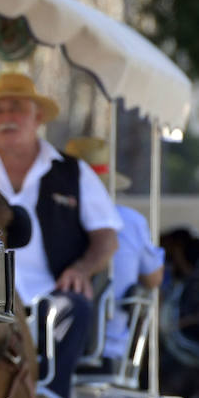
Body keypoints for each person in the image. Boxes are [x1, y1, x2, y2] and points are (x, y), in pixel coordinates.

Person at [0, 73, 120, 398]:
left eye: (16, 108)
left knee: (75, 308)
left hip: (48, 298)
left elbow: (106, 237)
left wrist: (82, 270)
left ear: (37, 117)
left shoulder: (72, 171)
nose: (6, 118)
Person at [63, 137, 164, 360]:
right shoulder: (131, 222)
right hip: (110, 348)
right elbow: (154, 279)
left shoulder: (52, 220)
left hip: (48, 346)